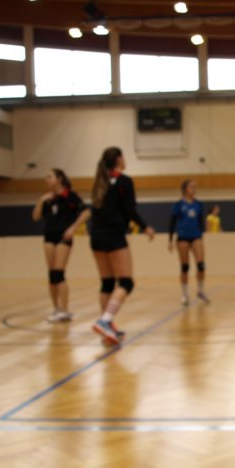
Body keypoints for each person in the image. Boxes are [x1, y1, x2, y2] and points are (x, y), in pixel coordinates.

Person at [89, 146, 155, 345]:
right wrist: (145, 227)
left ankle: (107, 328)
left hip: (96, 236)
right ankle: (105, 320)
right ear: (118, 159)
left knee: (107, 283)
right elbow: (130, 210)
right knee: (126, 282)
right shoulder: (124, 181)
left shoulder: (99, 181)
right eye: (123, 156)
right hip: (114, 235)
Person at [32, 168, 89, 323]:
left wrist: (73, 228)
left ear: (59, 179)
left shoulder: (71, 196)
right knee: (51, 274)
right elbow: (36, 216)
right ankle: (56, 309)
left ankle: (65, 310)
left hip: (64, 237)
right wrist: (41, 200)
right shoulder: (47, 198)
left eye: (49, 177)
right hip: (49, 237)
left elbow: (86, 212)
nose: (47, 179)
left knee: (58, 273)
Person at [169, 179, 209, 306]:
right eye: (192, 187)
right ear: (185, 189)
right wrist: (170, 240)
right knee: (185, 267)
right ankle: (185, 294)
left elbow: (200, 221)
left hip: (196, 236)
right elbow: (172, 222)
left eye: (195, 187)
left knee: (201, 265)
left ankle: (200, 290)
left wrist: (202, 233)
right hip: (183, 238)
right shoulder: (178, 205)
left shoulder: (198, 204)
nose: (194, 189)